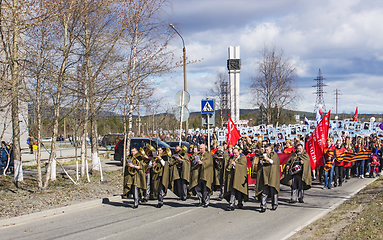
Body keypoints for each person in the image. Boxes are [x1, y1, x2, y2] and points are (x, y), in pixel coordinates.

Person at [255, 144, 280, 212]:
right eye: (265, 150)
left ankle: (274, 204)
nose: (266, 151)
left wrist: (268, 159)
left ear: (270, 149)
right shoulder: (263, 155)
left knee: (273, 190)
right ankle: (263, 206)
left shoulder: (274, 155)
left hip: (272, 175)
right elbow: (260, 164)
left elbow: (273, 163)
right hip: (265, 175)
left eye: (267, 150)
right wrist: (262, 159)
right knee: (264, 191)